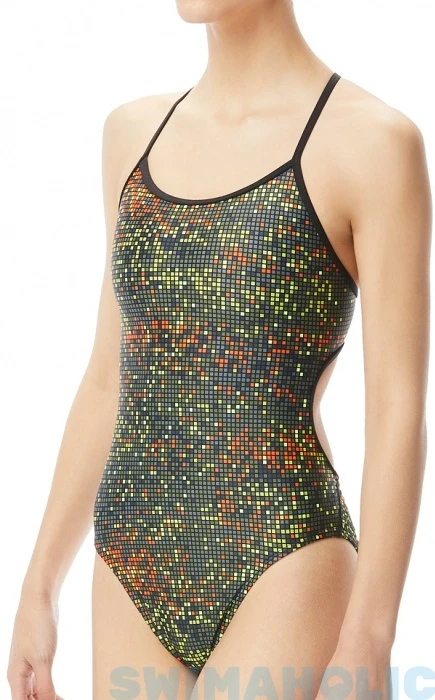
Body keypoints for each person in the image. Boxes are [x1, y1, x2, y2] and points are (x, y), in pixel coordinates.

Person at [7, 1, 431, 699]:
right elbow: (109, 378)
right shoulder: (131, 133)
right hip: (130, 557)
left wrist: (369, 640)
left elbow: (396, 409)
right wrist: (38, 586)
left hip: (283, 552)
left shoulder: (372, 142)